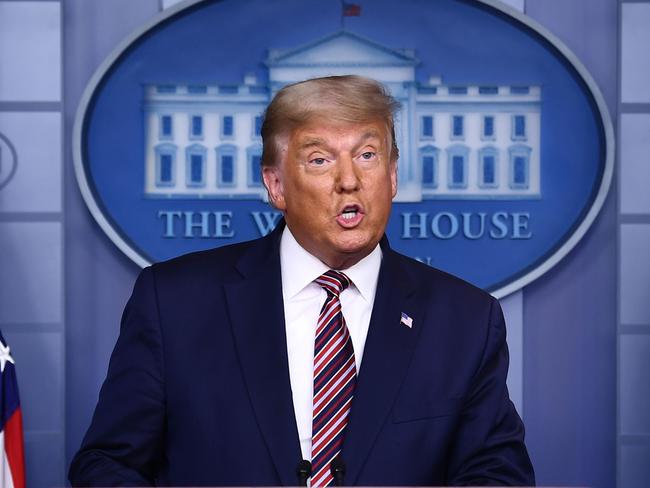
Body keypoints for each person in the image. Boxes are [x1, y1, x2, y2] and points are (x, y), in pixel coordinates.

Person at [69, 75, 535, 486]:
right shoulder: (174, 302)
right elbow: (108, 465)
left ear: (392, 175)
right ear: (275, 186)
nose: (349, 180)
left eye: (368, 155)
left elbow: (497, 474)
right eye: (319, 160)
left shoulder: (466, 318)